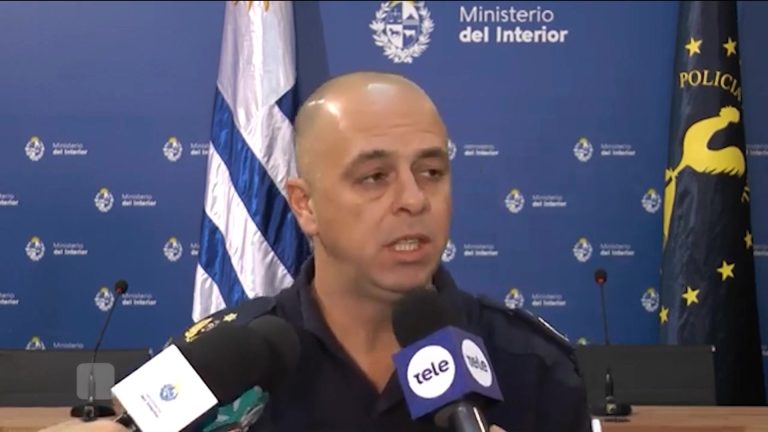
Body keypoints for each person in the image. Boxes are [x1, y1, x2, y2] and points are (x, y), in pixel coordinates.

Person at [44, 71, 592, 431]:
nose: (413, 199)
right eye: (375, 176)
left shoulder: (532, 367)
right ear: (304, 205)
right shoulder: (228, 364)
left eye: (431, 171)